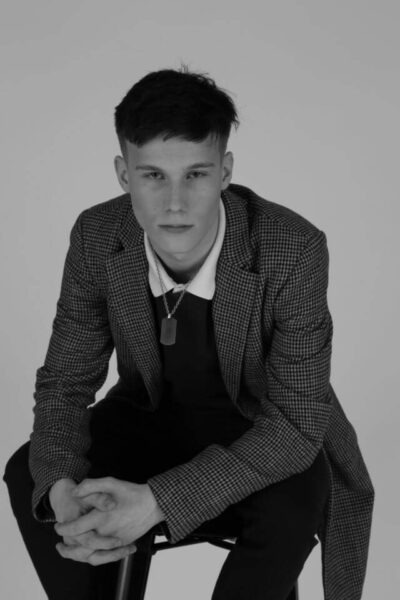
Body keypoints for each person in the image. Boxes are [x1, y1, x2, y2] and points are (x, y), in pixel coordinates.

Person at [3, 65, 374, 600]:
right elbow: (65, 382)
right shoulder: (96, 236)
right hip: (150, 418)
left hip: (265, 431)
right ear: (123, 174)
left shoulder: (293, 247)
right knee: (29, 471)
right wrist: (63, 490)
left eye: (195, 174)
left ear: (225, 172)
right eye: (153, 175)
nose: (174, 203)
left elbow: (295, 426)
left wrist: (157, 501)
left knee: (296, 499)